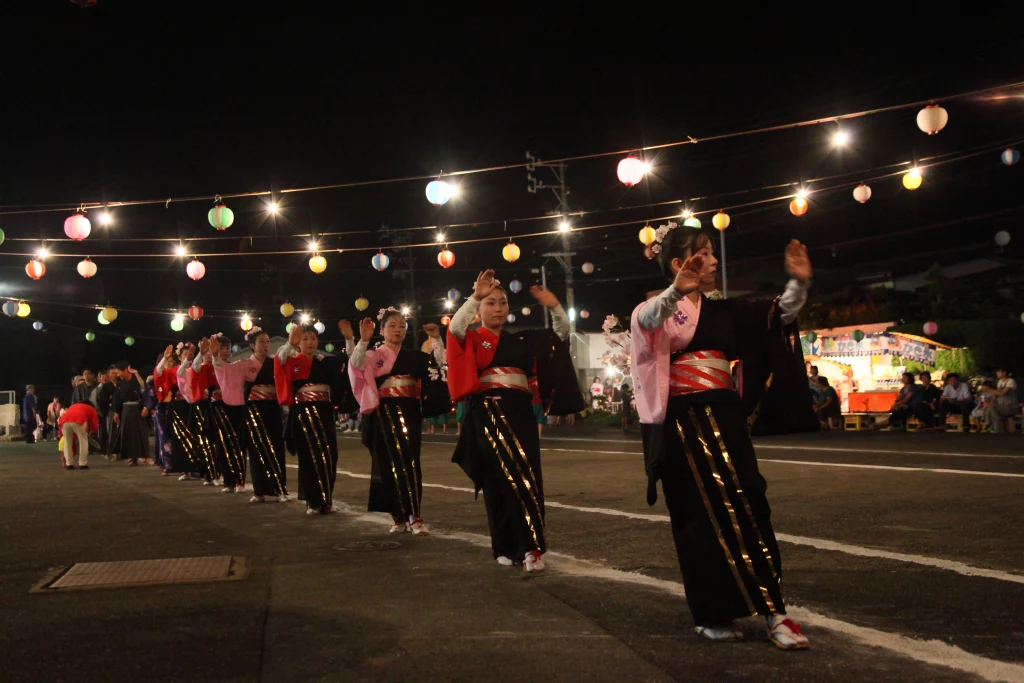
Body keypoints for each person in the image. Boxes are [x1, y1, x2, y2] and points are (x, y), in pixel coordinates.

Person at [629, 220, 815, 650]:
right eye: (703, 253)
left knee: (752, 500)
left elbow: (778, 315)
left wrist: (798, 284)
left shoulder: (725, 311)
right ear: (678, 264)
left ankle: (774, 611)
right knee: (699, 518)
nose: (713, 261)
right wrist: (675, 290)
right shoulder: (654, 309)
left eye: (712, 253)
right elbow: (652, 317)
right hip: (683, 423)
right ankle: (712, 613)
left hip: (725, 417)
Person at [447, 271, 584, 572]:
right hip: (487, 413)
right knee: (496, 481)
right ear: (479, 310)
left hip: (520, 412)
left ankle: (532, 547)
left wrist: (555, 307)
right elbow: (455, 327)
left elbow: (559, 337)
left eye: (503, 303)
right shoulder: (471, 338)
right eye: (490, 303)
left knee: (527, 477)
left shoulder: (524, 340)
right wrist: (474, 296)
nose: (497, 308)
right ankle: (504, 546)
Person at [347, 313, 449, 533]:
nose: (398, 329)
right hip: (383, 412)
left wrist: (437, 340)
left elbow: (440, 364)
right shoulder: (373, 355)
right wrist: (363, 340)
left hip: (409, 411)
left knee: (409, 461)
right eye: (392, 325)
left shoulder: (414, 357)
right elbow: (354, 366)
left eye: (402, 326)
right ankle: (398, 516)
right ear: (381, 330)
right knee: (387, 463)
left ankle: (413, 515)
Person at [275, 323, 358, 516]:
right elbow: (279, 361)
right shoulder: (293, 361)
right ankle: (313, 501)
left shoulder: (326, 363)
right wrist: (290, 343)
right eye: (304, 339)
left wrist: (349, 339)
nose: (309, 342)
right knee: (309, 457)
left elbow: (349, 361)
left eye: (312, 338)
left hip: (325, 412)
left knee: (329, 455)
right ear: (298, 342)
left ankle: (326, 499)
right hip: (303, 413)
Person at [213, 327, 290, 504]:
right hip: (254, 411)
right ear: (252, 346)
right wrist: (216, 357)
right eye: (261, 342)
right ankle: (259, 490)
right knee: (256, 450)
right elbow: (226, 372)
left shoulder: (274, 362)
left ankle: (279, 488)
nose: (265, 345)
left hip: (272, 409)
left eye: (267, 341)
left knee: (276, 447)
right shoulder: (245, 364)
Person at [198, 335, 247, 494]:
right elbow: (196, 373)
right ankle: (228, 480)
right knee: (223, 443)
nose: (225, 351)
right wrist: (204, 354)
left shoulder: (235, 366)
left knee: (238, 442)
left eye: (227, 348)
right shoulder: (209, 366)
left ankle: (239, 480)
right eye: (221, 348)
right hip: (218, 407)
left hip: (236, 407)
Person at [113, 362, 150, 466]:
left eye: (118, 372)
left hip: (138, 408)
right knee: (127, 434)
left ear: (125, 370)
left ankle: (146, 457)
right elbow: (117, 398)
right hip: (125, 409)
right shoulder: (120, 383)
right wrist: (116, 412)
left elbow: (144, 388)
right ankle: (132, 457)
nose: (117, 374)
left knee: (141, 433)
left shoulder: (135, 378)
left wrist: (146, 407)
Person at [58, 401, 99, 470]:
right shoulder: (91, 409)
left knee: (67, 442)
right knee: (83, 441)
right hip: (79, 420)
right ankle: (82, 463)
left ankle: (69, 464)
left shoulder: (73, 406)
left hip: (64, 421)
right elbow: (95, 424)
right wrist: (93, 431)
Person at [981, 368, 1020, 433]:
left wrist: (989, 390)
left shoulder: (1011, 381)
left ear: (1004, 373)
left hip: (1011, 405)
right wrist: (992, 401)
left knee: (992, 409)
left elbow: (1002, 393)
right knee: (989, 407)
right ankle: (990, 426)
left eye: (999, 372)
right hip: (1002, 405)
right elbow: (996, 393)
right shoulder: (1000, 382)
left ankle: (995, 427)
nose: (997, 373)